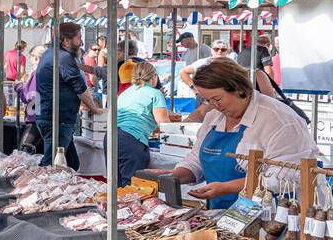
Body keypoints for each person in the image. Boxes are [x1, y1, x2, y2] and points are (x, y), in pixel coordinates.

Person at [170, 57, 317, 210]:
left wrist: (229, 187)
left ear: (240, 89)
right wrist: (175, 176)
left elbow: (288, 175)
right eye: (207, 101)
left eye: (217, 99)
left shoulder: (280, 119)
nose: (214, 106)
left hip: (277, 216)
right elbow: (196, 160)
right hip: (223, 213)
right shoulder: (213, 117)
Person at [37, 22, 102, 168]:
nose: (82, 42)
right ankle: (37, 189)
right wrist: (94, 108)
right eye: (78, 38)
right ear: (66, 40)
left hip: (53, 116)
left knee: (72, 164)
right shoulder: (63, 57)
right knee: (51, 165)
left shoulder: (51, 53)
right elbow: (79, 87)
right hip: (58, 119)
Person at [109, 60, 170, 186]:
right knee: (132, 187)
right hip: (130, 140)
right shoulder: (155, 93)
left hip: (110, 137)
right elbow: (164, 124)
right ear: (154, 77)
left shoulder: (125, 93)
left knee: (115, 185)